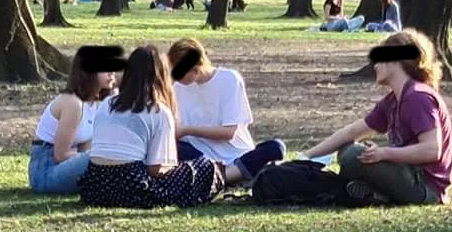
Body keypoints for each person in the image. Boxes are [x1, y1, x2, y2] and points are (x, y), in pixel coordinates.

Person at [302, 29, 452, 206]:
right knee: (346, 149)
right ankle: (375, 195)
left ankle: (372, 193)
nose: (374, 65)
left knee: (353, 155)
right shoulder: (393, 100)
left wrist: (384, 154)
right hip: (406, 174)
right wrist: (306, 156)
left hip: (426, 188)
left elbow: (432, 150)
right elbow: (352, 132)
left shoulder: (417, 97)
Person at [78, 45, 225, 209]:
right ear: (162, 77)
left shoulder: (107, 104)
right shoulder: (158, 111)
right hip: (132, 186)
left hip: (95, 186)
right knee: (206, 167)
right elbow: (156, 170)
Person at [168, 38, 286, 185]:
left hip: (236, 156)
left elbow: (229, 132)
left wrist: (187, 130)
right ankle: (230, 177)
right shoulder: (177, 89)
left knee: (276, 147)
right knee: (168, 147)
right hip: (202, 158)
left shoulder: (229, 79)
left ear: (196, 67)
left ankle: (219, 178)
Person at [28, 46, 125, 195]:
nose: (112, 73)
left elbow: (85, 147)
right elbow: (60, 155)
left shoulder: (95, 103)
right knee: (105, 156)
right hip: (46, 172)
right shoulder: (72, 103)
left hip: (69, 166)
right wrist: (99, 157)